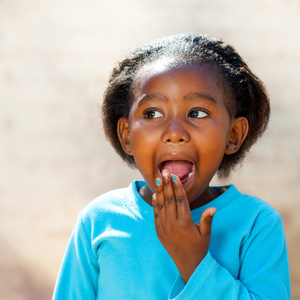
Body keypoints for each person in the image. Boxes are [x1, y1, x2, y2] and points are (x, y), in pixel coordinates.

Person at [52, 33, 290, 299]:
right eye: (152, 113)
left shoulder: (257, 224)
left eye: (197, 113)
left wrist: (192, 260)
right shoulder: (98, 221)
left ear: (233, 135)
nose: (175, 132)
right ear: (127, 135)